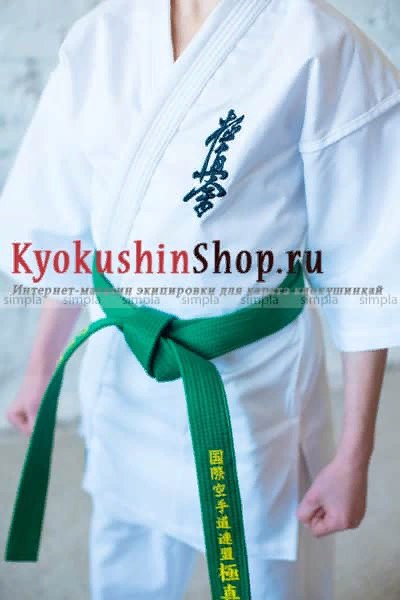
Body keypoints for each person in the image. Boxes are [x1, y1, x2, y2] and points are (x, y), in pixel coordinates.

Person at [2, 0, 400, 598]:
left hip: (250, 388)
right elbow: (72, 228)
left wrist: (353, 455)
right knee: (126, 558)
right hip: (128, 373)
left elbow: (366, 264)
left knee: (265, 564)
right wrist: (39, 371)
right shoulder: (101, 36)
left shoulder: (320, 46)